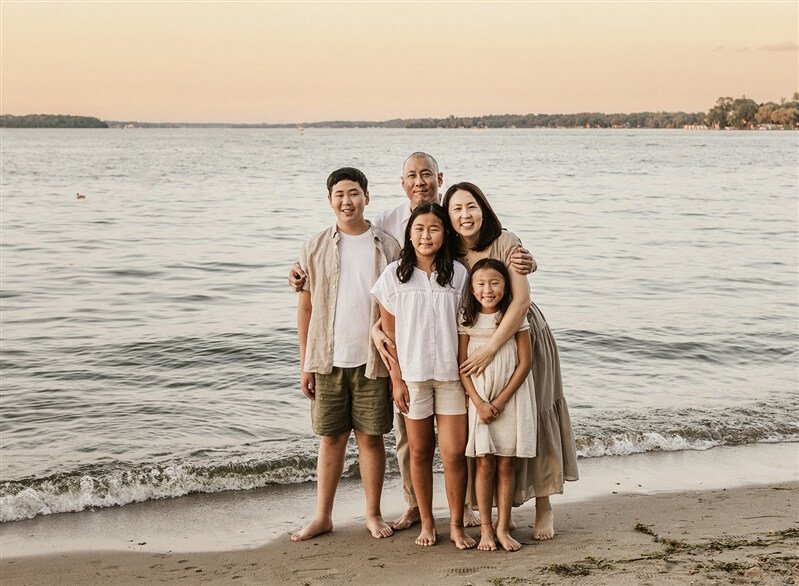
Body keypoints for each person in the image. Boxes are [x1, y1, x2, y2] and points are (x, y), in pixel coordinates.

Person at [289, 152, 534, 531]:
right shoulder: (384, 235)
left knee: (452, 448)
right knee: (407, 446)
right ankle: (416, 511)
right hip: (402, 369)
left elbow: (483, 293)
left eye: (426, 175)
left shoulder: (456, 265)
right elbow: (379, 312)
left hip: (449, 372)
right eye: (411, 176)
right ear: (401, 183)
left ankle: (459, 515)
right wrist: (384, 353)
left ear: (439, 177)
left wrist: (526, 264)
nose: (419, 182)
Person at [443, 181, 579, 541]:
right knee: (482, 429)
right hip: (473, 341)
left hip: (522, 336)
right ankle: (491, 513)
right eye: (456, 209)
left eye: (471, 206)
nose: (465, 215)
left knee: (535, 415)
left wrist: (490, 349)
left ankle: (543, 505)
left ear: (483, 208)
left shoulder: (506, 241)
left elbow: (519, 302)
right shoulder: (449, 252)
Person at [291, 167, 401, 542]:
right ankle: (323, 516)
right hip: (327, 359)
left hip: (374, 359)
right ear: (329, 201)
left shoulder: (387, 246)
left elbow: (398, 307)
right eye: (339, 194)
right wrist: (305, 362)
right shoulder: (314, 246)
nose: (346, 201)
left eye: (353, 193)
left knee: (371, 438)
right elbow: (304, 308)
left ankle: (372, 514)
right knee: (331, 438)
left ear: (366, 198)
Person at [370, 202, 475, 550]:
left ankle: (457, 524)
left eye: (433, 228)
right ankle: (427, 523)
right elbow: (390, 336)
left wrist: (466, 378)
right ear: (409, 234)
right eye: (419, 229)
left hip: (450, 378)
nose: (426, 235)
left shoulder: (459, 275)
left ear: (444, 234)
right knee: (418, 452)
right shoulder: (393, 277)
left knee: (454, 454)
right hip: (413, 379)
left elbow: (465, 330)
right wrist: (396, 381)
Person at [459, 259, 537, 552]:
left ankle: (504, 528)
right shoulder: (467, 318)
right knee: (484, 462)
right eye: (480, 283)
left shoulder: (513, 318)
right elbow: (461, 366)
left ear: (505, 287)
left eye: (495, 283)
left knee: (506, 463)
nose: (487, 289)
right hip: (480, 402)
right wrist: (478, 403)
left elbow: (525, 362)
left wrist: (501, 400)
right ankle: (487, 529)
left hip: (510, 399)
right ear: (471, 287)